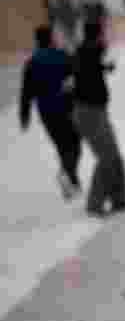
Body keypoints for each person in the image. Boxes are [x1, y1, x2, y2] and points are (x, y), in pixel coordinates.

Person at [72, 20, 125, 217]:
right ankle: (94, 203)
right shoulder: (89, 50)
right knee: (107, 157)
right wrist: (105, 47)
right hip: (88, 113)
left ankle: (119, 199)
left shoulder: (86, 52)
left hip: (95, 111)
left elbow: (103, 65)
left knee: (114, 156)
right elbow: (102, 58)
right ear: (98, 36)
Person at [20, 26, 82, 199]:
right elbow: (78, 74)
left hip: (46, 112)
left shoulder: (31, 63)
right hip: (67, 107)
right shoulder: (62, 55)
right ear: (51, 39)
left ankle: (72, 181)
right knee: (75, 144)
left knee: (62, 146)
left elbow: (26, 93)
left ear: (37, 41)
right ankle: (67, 173)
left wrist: (24, 116)